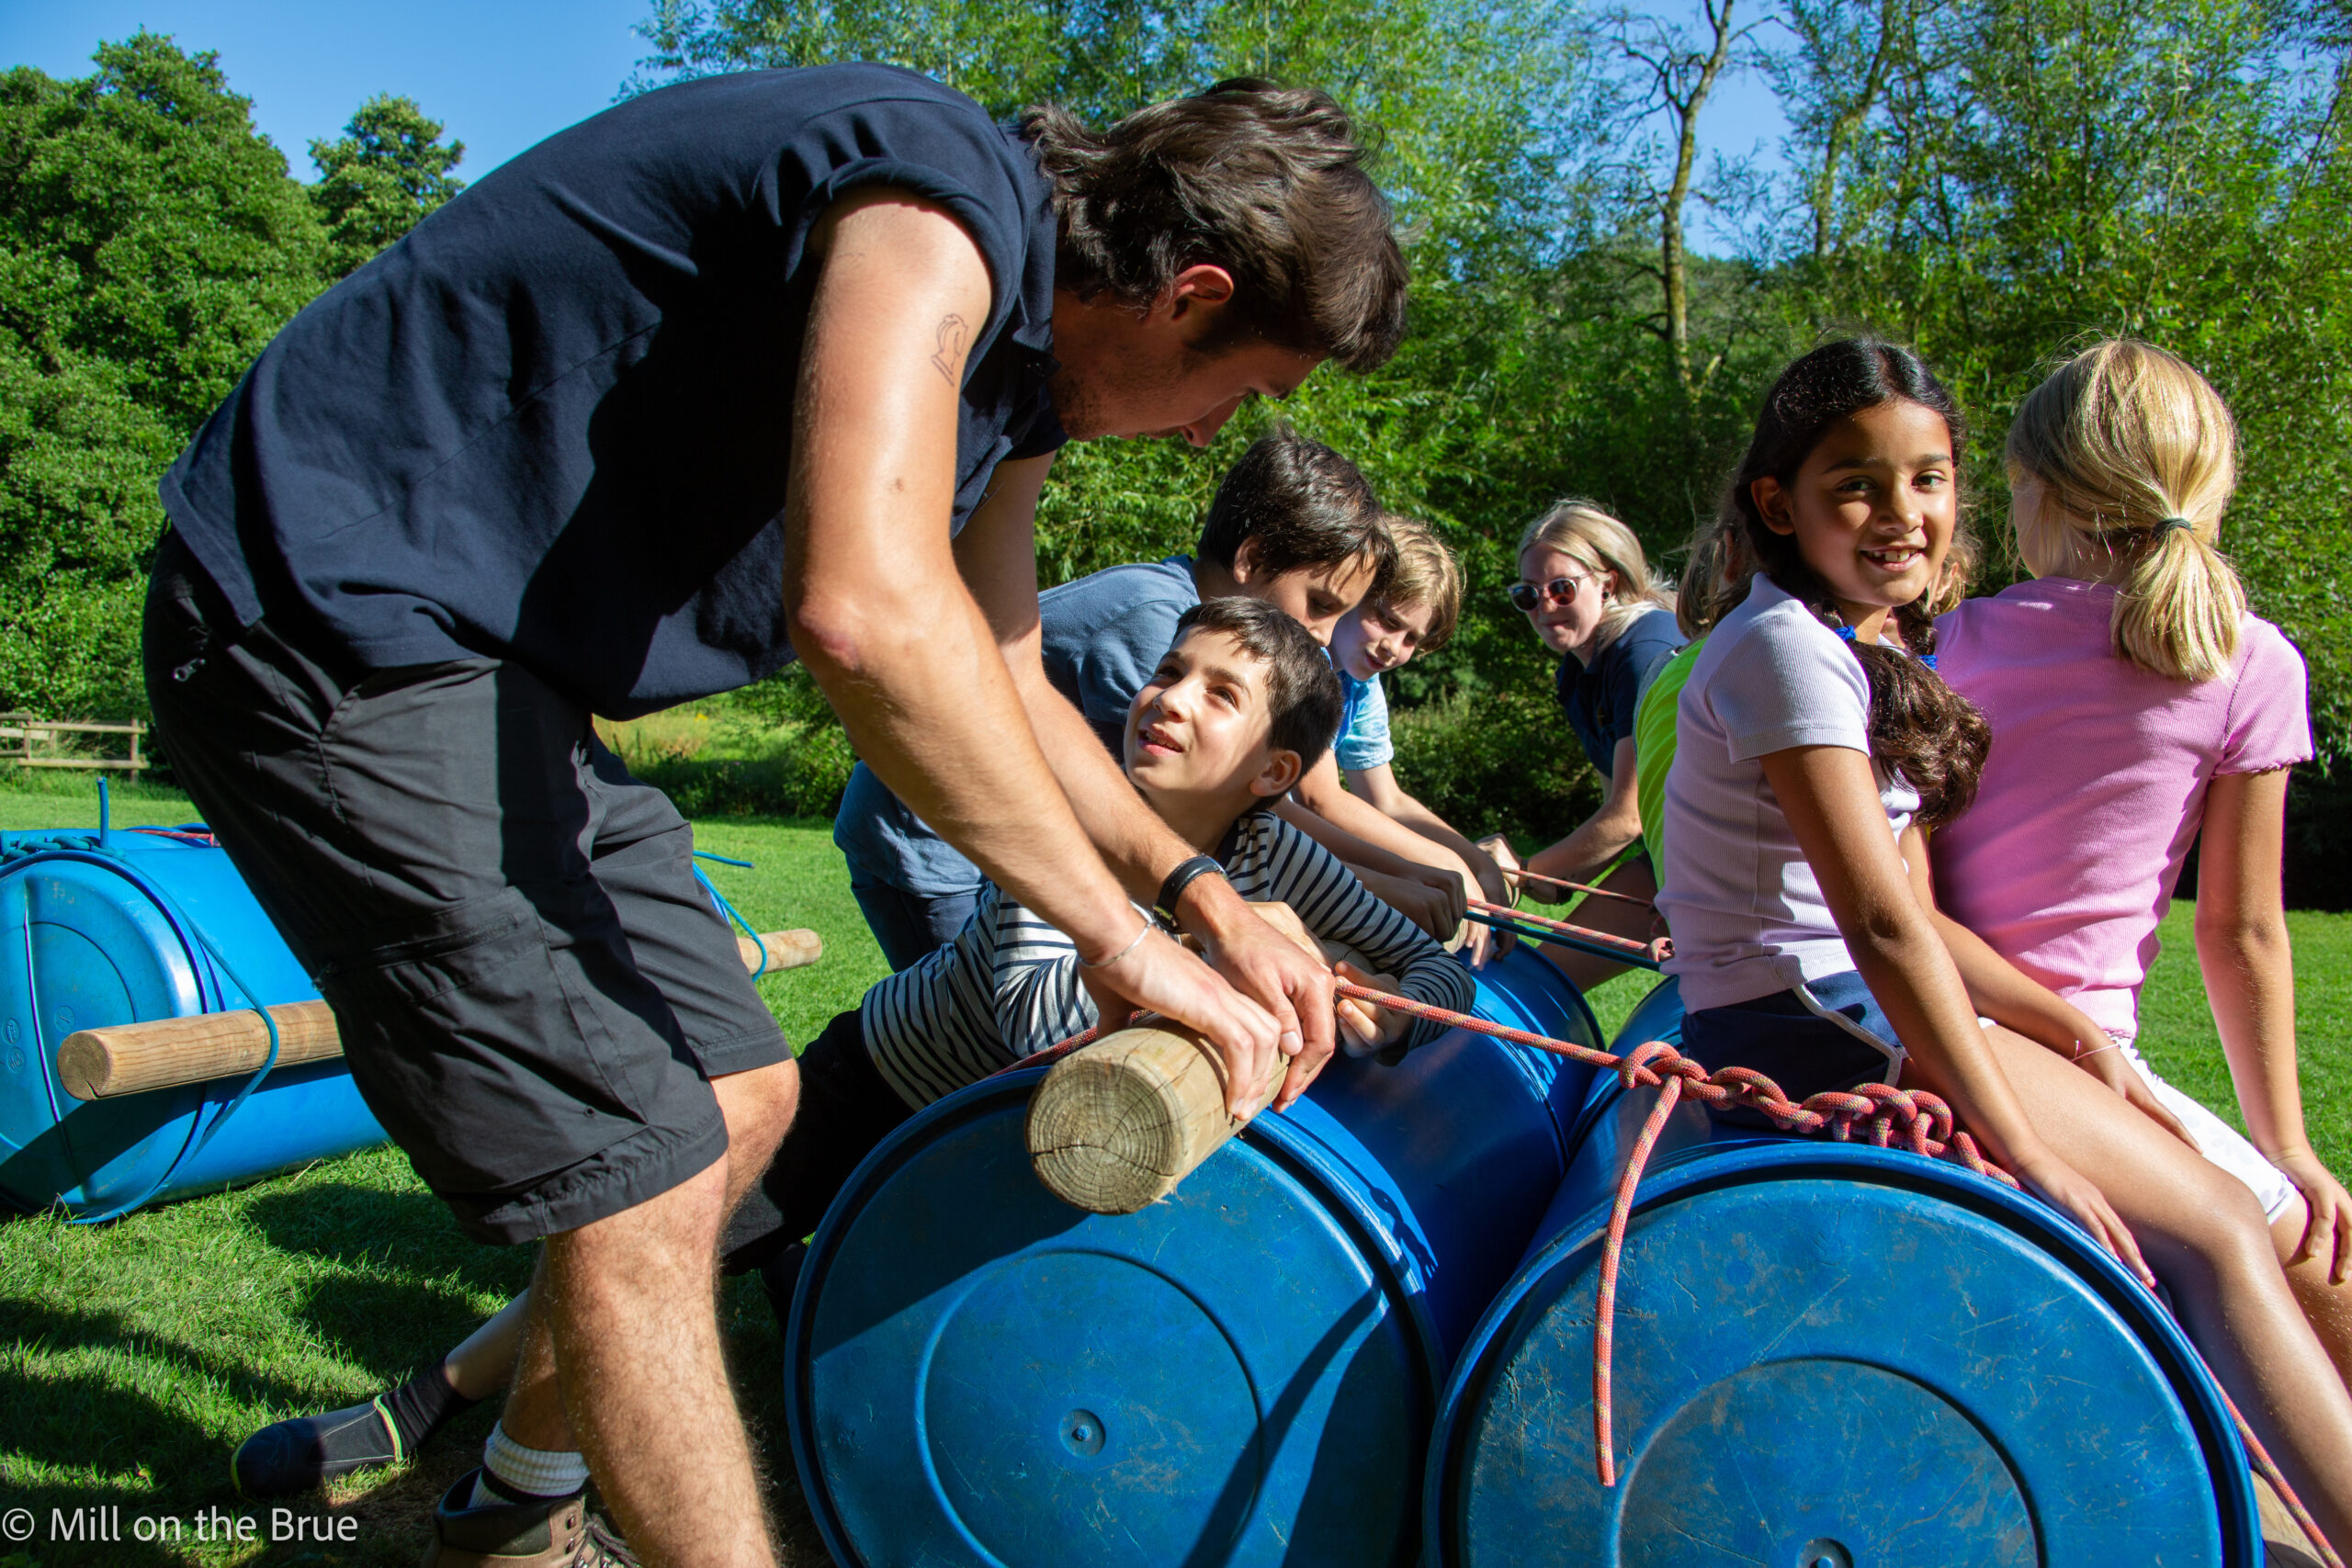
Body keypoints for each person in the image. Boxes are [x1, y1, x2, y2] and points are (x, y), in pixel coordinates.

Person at [146, 65, 1404, 1568]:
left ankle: (505, 1517)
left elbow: (1001, 668)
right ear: (1191, 293)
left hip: (501, 687)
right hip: (324, 617)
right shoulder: (935, 198)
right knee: (646, 1171)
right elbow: (866, 614)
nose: (1212, 439)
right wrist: (1108, 936)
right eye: (1243, 392)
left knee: (742, 1106)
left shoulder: (1016, 388)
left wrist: (1197, 895)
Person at [232, 598, 1476, 1501]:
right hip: (872, 1092)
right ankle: (424, 1405)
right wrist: (1236, 964)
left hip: (1010, 1136)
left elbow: (1432, 969)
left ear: (1274, 771)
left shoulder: (1272, 859)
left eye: (1217, 691)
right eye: (1170, 668)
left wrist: (1355, 980)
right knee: (658, 1256)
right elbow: (1042, 1016)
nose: (1167, 695)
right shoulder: (1061, 834)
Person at [1657, 335, 2352, 1541]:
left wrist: (2071, 1024)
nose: (1903, 512)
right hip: (1822, 1026)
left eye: (1929, 478)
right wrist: (2031, 1150)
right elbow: (1877, 922)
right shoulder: (1786, 650)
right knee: (2228, 1232)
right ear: (1778, 503)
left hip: (1840, 1010)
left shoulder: (1847, 649)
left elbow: (1913, 913)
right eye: (1857, 483)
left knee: (2223, 1222)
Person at [1927, 340, 2352, 1383]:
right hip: (2090, 1066)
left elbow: (1909, 887)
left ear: (2036, 490)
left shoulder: (1946, 641)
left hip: (1941, 1026)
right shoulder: (2249, 661)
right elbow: (2241, 930)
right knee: (2314, 1261)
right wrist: (2284, 1151)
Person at [834, 427, 1465, 968]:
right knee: (985, 1058)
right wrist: (1383, 882)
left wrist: (1389, 878)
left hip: (1005, 828)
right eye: (1320, 605)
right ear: (1253, 558)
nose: (1324, 636)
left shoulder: (1197, 623)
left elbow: (1250, 807)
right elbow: (1211, 807)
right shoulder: (1167, 627)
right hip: (928, 841)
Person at [1479, 502, 1684, 990]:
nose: (1544, 607)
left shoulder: (1644, 655)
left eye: (1561, 588)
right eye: (1527, 595)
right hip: (1666, 861)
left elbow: (1628, 817)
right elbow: (1618, 809)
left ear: (1608, 582)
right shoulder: (1580, 669)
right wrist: (1551, 875)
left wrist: (1524, 873)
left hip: (1721, 870)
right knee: (1541, 980)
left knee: (1540, 985)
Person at [1288, 515, 1511, 959]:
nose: (1394, 648)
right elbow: (1321, 799)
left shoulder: (1360, 682)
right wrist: (1447, 868)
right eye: (1386, 619)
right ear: (1351, 593)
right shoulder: (1307, 661)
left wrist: (1478, 863)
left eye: (1412, 639)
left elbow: (1385, 797)